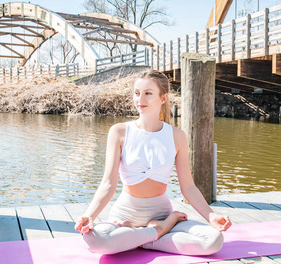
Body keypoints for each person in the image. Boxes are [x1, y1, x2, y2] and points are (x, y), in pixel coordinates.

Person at [74, 70, 231, 255]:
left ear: (163, 98)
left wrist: (211, 216)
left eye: (148, 93)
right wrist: (89, 216)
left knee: (213, 241)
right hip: (126, 214)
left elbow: (188, 187)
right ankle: (158, 231)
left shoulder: (177, 136)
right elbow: (108, 183)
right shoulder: (119, 132)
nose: (141, 98)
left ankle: (139, 237)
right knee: (93, 241)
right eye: (137, 92)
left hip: (162, 214)